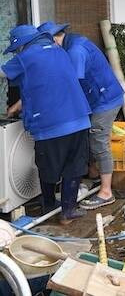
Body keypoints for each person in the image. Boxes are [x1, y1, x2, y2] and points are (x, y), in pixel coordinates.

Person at [0, 25, 91, 224]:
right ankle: (68, 211)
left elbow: (3, 73)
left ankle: (49, 206)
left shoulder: (25, 57)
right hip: (79, 119)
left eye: (16, 49)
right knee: (73, 166)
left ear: (22, 45)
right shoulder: (59, 52)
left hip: (52, 124)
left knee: (48, 166)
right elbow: (46, 84)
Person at [38, 21, 124, 210]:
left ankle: (106, 192)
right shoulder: (70, 43)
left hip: (105, 100)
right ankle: (93, 176)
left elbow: (72, 84)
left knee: (98, 140)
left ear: (53, 39)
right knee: (87, 137)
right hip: (95, 98)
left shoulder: (75, 51)